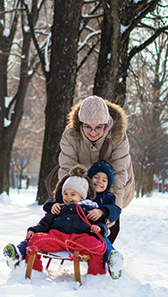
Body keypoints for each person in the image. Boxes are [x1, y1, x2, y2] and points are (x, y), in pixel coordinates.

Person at [3, 166, 108, 276]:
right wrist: (34, 229)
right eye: (65, 194)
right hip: (58, 238)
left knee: (97, 247)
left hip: (79, 240)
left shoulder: (89, 209)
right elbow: (45, 222)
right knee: (35, 240)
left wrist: (99, 228)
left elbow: (100, 222)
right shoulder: (58, 208)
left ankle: (96, 276)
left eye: (73, 195)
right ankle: (34, 271)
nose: (68, 197)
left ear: (82, 197)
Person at [57, 95, 134, 243]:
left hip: (112, 183)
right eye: (87, 127)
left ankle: (106, 253)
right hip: (84, 181)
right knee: (79, 216)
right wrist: (64, 199)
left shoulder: (118, 136)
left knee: (108, 217)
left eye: (98, 127)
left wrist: (113, 213)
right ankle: (76, 246)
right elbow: (67, 169)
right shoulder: (70, 135)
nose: (93, 132)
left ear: (106, 123)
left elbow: (118, 174)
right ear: (81, 123)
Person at [43, 160, 123, 279]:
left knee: (103, 240)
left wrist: (102, 211)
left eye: (104, 180)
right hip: (78, 230)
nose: (99, 181)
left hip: (95, 229)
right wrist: (51, 205)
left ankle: (111, 259)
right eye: (96, 177)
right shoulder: (78, 191)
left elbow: (115, 209)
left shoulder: (107, 197)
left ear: (108, 184)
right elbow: (59, 199)